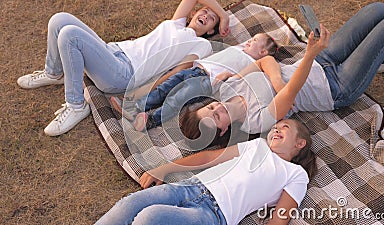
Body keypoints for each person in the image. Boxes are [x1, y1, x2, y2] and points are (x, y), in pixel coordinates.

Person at [182, 2, 384, 143]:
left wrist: (277, 82)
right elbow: (292, 91)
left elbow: (264, 61)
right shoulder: (255, 122)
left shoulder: (225, 88)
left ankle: (379, 57)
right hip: (335, 87)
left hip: (319, 60)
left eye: (210, 107)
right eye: (216, 116)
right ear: (222, 131)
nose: (217, 107)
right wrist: (308, 54)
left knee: (378, 9)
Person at [16, 0, 230, 136]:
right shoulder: (176, 23)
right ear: (194, 13)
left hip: (123, 73)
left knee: (69, 35)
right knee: (59, 20)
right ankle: (55, 72)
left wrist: (141, 94)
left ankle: (76, 105)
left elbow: (176, 73)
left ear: (212, 30)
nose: (206, 16)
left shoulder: (201, 45)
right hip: (114, 51)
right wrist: (221, 12)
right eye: (204, 11)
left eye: (212, 19)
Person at [94, 118, 317, 225]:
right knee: (128, 205)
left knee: (149, 218)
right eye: (275, 127)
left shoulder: (296, 175)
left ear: (300, 143)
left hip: (214, 215)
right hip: (188, 187)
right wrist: (164, 169)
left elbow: (280, 217)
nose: (276, 129)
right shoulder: (256, 145)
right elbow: (211, 157)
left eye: (285, 128)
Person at [110, 33, 278, 131]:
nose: (250, 40)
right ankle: (136, 106)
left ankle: (152, 120)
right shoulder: (239, 49)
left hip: (206, 82)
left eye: (255, 40)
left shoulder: (251, 62)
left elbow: (242, 78)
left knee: (177, 99)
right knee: (163, 89)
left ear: (263, 51)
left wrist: (223, 78)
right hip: (194, 70)